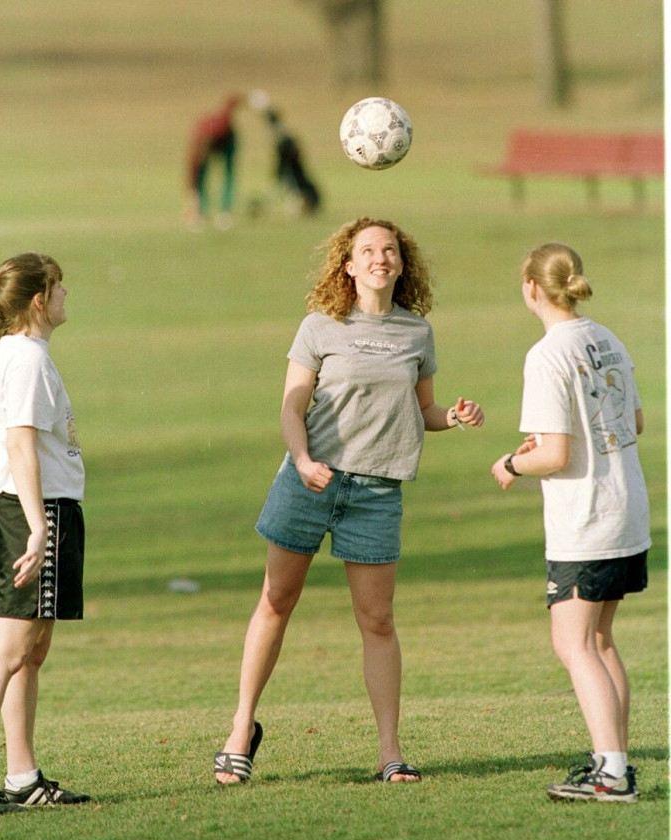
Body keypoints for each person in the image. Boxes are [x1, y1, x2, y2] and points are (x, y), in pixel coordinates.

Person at [214, 218, 484, 785]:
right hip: (309, 481)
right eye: (368, 250)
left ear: (402, 264)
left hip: (377, 492)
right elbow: (291, 408)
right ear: (349, 265)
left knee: (378, 620)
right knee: (276, 601)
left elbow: (423, 411)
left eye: (389, 249)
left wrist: (453, 417)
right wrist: (305, 459)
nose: (380, 257)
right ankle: (241, 729)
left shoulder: (417, 333)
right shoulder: (320, 326)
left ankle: (390, 753)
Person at [490, 242, 650, 803]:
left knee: (574, 643)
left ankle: (612, 775)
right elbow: (633, 420)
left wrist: (510, 463)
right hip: (627, 508)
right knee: (601, 641)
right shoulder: (606, 337)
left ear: (531, 287)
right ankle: (616, 760)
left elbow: (554, 455)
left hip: (586, 518)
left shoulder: (547, 354)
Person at [0, 253, 91, 816]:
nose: (64, 295)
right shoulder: (26, 360)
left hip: (17, 511)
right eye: (58, 287)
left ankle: (23, 774)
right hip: (37, 511)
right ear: (38, 301)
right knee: (7, 651)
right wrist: (36, 527)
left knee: (31, 649)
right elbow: (20, 444)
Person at [185, 95, 241, 230]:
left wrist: (240, 100)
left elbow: (228, 109)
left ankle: (225, 211)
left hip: (228, 142)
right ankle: (201, 212)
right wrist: (191, 200)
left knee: (228, 174)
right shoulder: (198, 145)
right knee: (201, 177)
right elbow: (193, 173)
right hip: (212, 143)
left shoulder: (221, 126)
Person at [264, 108, 321, 216]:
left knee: (294, 187)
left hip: (292, 166)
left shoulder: (279, 133)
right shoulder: (281, 132)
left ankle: (300, 207)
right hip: (291, 165)